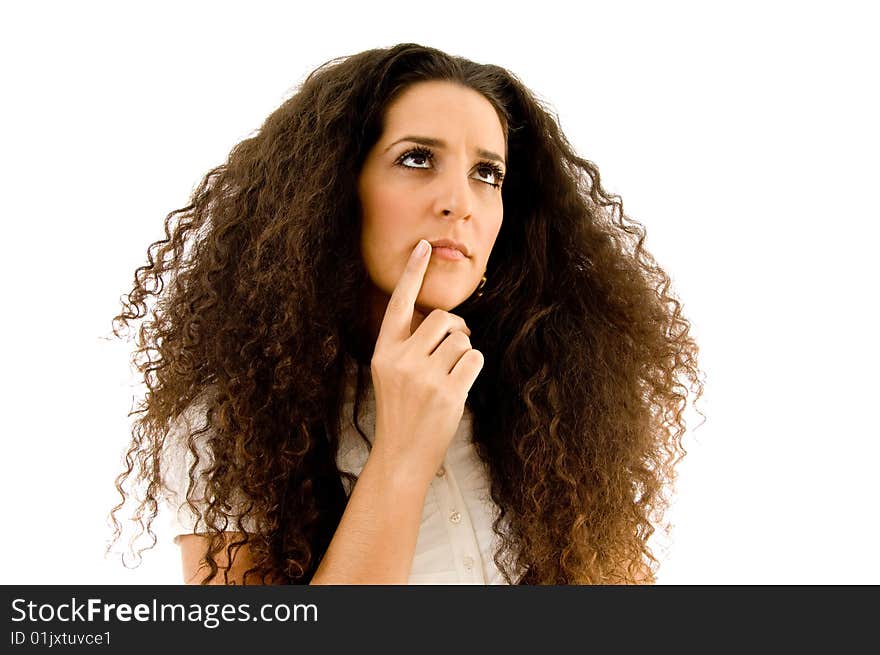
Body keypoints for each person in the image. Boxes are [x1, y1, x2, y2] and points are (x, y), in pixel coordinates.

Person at [107, 42, 704, 585]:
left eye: (487, 174)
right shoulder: (232, 419)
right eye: (417, 159)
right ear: (336, 190)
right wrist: (401, 452)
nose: (459, 203)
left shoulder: (556, 391)